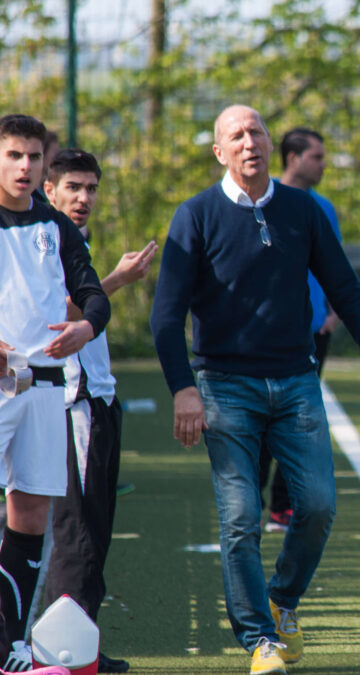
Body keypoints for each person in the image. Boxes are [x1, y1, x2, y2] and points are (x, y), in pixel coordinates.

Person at [150, 105, 360, 675]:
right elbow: (166, 317)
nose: (248, 142)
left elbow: (346, 288)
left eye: (256, 131)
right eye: (235, 135)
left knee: (315, 506)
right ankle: (259, 640)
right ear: (219, 152)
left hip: (296, 382)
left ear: (270, 143)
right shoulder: (195, 216)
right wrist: (183, 390)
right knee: (240, 516)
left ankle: (282, 601)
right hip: (222, 386)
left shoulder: (303, 209)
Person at [38, 149, 157, 674]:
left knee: (97, 528)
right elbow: (55, 316)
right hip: (72, 401)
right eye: (73, 188)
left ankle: (79, 643)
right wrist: (115, 280)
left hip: (98, 398)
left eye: (91, 188)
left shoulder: (71, 239)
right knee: (77, 530)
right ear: (50, 190)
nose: (83, 198)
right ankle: (56, 652)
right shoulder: (41, 240)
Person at [0, 113, 110, 675]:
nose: (25, 166)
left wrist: (85, 327)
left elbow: (93, 293)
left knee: (32, 515)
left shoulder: (55, 226)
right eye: (14, 155)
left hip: (45, 388)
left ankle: (12, 646)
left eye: (34, 156)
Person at [258, 128, 343, 535]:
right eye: (317, 157)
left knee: (298, 420)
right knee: (258, 417)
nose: (323, 165)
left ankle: (282, 506)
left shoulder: (323, 207)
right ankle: (248, 506)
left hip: (313, 332)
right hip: (271, 332)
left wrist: (332, 312)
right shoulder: (264, 200)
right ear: (292, 157)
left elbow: (333, 266)